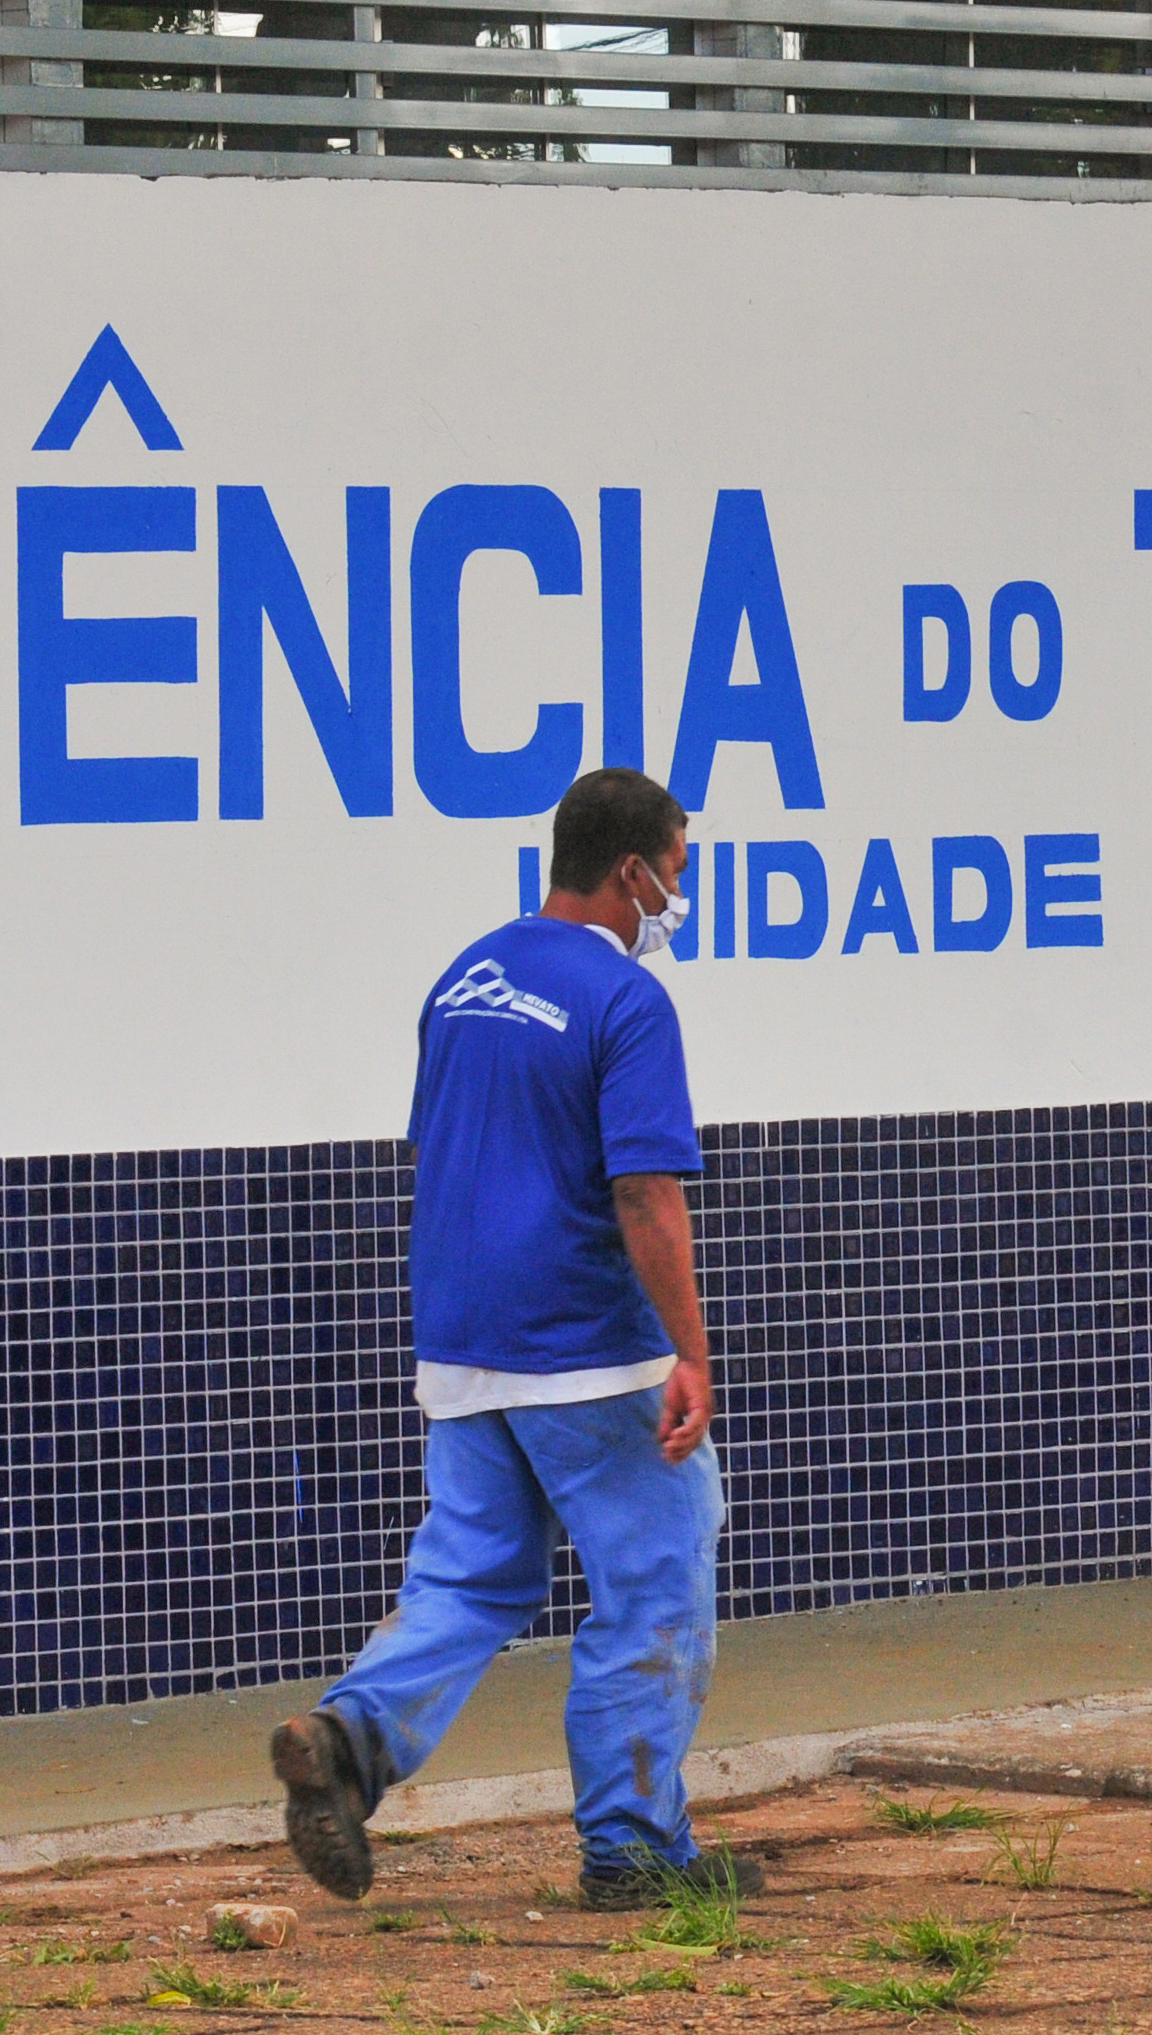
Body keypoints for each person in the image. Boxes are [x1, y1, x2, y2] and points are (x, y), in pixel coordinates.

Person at [273, 766, 762, 1909]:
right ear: (634, 868)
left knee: (472, 1577)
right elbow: (645, 1193)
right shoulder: (627, 1001)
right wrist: (689, 1350)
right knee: (657, 1580)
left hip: (459, 1338)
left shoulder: (465, 976)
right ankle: (638, 1848)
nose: (677, 899)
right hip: (585, 1346)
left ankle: (348, 1741)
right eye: (677, 873)